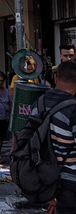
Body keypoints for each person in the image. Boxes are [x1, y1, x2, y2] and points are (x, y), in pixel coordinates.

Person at [20, 59, 76, 213]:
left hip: (47, 179)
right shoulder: (73, 110)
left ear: (56, 78)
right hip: (71, 182)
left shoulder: (39, 103)